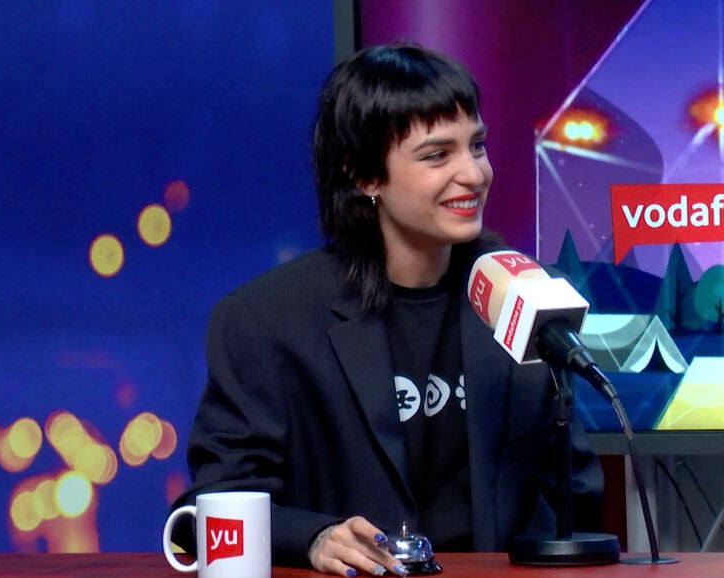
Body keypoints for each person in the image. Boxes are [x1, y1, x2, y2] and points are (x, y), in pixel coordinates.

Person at [169, 43, 605, 576]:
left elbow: (574, 493)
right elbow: (206, 509)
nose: (473, 174)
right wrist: (314, 538)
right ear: (364, 175)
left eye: (477, 146)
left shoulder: (527, 296)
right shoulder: (267, 320)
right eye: (437, 155)